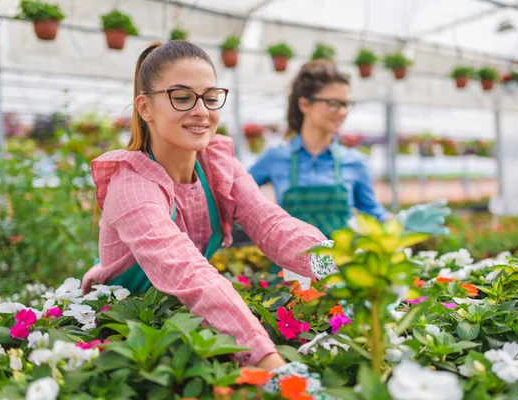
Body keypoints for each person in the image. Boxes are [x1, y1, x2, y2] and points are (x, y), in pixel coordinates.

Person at [80, 41, 338, 371]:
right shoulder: (132, 186)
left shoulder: (216, 166)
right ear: (145, 108)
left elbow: (270, 223)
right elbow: (188, 272)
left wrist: (340, 268)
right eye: (183, 97)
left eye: (211, 97)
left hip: (183, 324)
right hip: (121, 338)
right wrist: (269, 361)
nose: (201, 110)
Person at [249, 60, 450, 277]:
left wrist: (401, 222)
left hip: (341, 271)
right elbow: (240, 199)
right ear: (304, 104)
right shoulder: (275, 158)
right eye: (334, 103)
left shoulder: (354, 162)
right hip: (288, 274)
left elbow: (372, 212)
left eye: (346, 104)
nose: (342, 112)